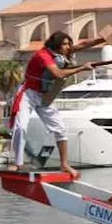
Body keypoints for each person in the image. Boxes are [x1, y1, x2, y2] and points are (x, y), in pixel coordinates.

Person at [7, 31, 99, 177]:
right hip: (28, 93)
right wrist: (82, 68)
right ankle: (17, 163)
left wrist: (101, 39)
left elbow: (82, 45)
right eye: (65, 44)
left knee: (60, 128)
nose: (68, 47)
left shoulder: (62, 52)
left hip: (44, 96)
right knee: (21, 127)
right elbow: (58, 74)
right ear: (56, 45)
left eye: (69, 44)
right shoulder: (43, 55)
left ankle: (64, 164)